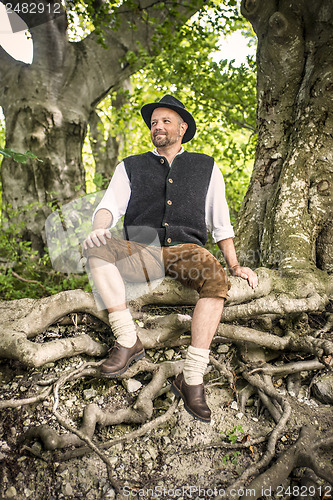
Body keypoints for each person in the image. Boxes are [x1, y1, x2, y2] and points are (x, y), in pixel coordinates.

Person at [83, 95, 257, 423]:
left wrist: (235, 265)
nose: (158, 127)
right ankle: (127, 339)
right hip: (142, 251)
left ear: (182, 127)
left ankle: (191, 377)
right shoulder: (130, 166)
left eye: (165, 121)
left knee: (216, 279)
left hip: (187, 251)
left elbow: (221, 224)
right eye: (153, 123)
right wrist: (99, 229)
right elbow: (107, 206)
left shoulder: (206, 166)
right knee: (94, 248)